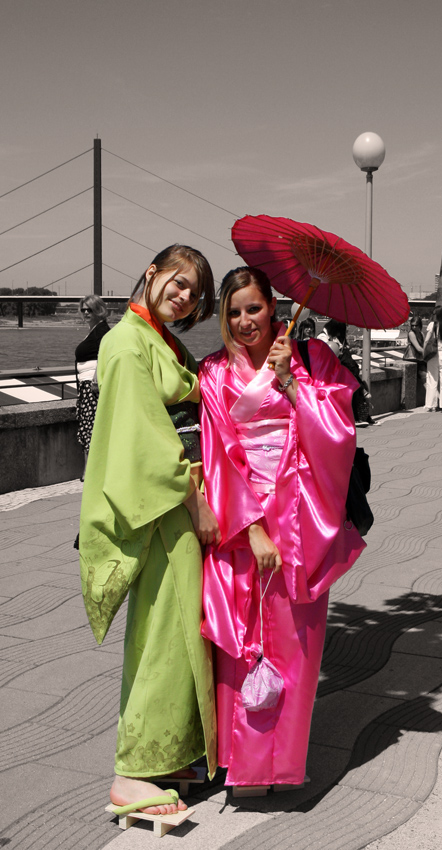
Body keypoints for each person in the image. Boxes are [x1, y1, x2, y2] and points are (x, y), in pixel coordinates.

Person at [198, 267, 365, 795]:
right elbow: (218, 458)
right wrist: (251, 530)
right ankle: (240, 761)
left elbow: (339, 436)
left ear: (273, 308)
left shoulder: (315, 360)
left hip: (300, 515)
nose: (246, 321)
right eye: (235, 311)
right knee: (241, 641)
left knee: (295, 645)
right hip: (242, 520)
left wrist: (292, 382)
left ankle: (282, 764)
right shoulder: (214, 372)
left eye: (254, 308)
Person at [78, 245, 219, 817]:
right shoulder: (126, 341)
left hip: (175, 506)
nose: (182, 296)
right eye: (177, 281)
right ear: (151, 272)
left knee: (182, 632)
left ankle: (169, 752)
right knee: (161, 636)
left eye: (193, 291)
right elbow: (143, 436)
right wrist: (196, 499)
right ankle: (133, 771)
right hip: (164, 507)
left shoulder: (159, 338)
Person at [75, 295, 110, 480]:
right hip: (85, 387)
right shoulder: (93, 331)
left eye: (90, 309)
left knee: (90, 428)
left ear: (98, 310)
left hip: (92, 388)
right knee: (87, 427)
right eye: (83, 310)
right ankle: (89, 470)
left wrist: (96, 377)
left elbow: (107, 354)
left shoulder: (103, 331)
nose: (86, 313)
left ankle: (89, 471)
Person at [318, 318, 374, 424]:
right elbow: (329, 352)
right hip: (330, 368)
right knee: (354, 380)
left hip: (342, 366)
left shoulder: (337, 336)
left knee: (354, 384)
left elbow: (341, 349)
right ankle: (361, 414)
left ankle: (361, 417)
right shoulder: (323, 336)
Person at [424, 305, 442, 412]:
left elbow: (426, 341)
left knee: (432, 380)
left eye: (434, 314)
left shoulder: (432, 325)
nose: (433, 316)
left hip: (433, 356)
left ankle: (430, 405)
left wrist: (423, 352)